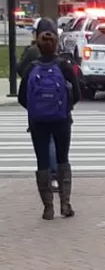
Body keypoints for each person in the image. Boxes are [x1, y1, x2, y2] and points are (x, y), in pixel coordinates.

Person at [18, 19, 80, 220]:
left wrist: (35, 110)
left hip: (38, 123)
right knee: (63, 159)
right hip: (62, 120)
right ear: (56, 44)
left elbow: (21, 97)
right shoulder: (64, 66)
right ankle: (65, 204)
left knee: (42, 162)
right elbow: (77, 93)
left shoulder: (31, 68)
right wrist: (65, 107)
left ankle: (47, 208)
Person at [19, 19, 60, 191]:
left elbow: (21, 92)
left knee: (42, 148)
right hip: (59, 114)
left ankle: (46, 190)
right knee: (55, 143)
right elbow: (74, 90)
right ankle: (57, 178)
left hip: (37, 113)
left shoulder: (31, 57)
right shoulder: (61, 61)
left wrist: (33, 106)